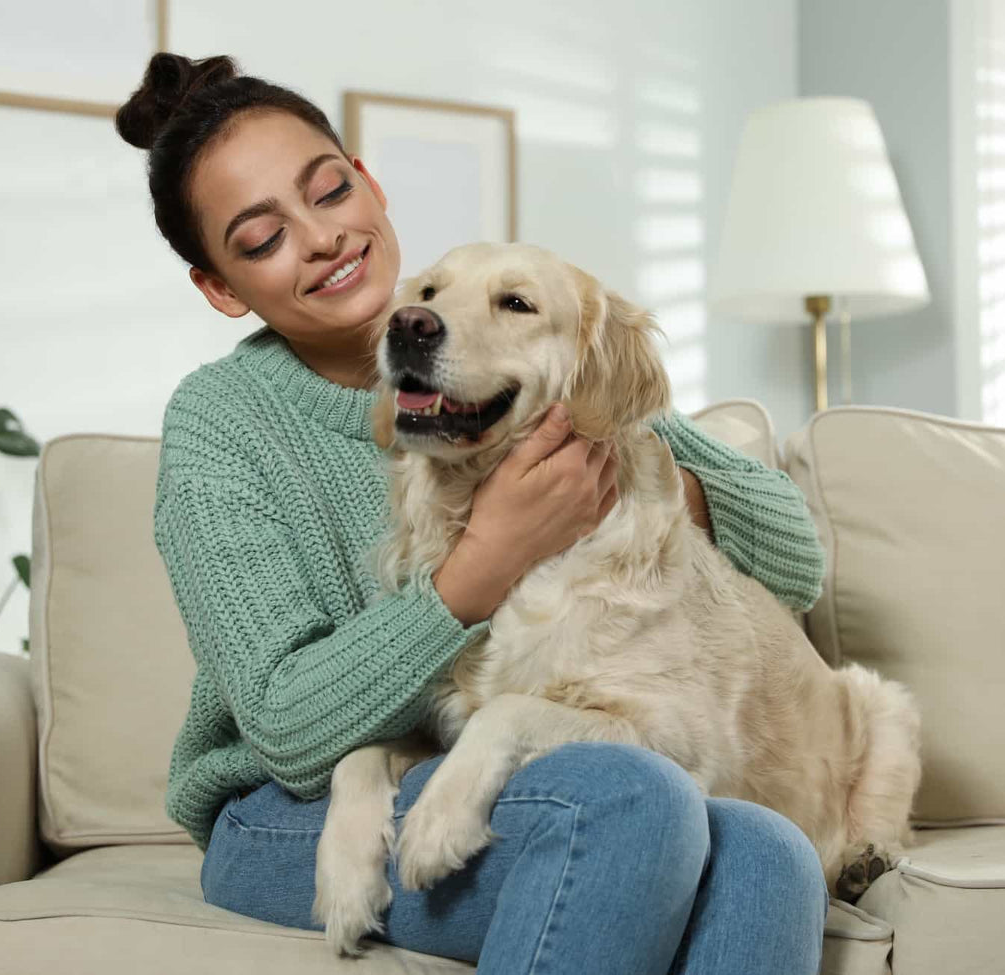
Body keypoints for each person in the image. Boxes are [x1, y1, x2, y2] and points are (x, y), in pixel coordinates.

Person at [119, 51, 830, 974]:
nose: (324, 238)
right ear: (221, 287)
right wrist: (488, 558)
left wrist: (632, 488)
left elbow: (793, 561)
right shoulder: (222, 422)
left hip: (503, 768)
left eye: (329, 192)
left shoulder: (513, 342)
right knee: (633, 804)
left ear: (371, 187)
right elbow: (286, 729)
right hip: (285, 814)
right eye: (261, 240)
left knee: (771, 852)